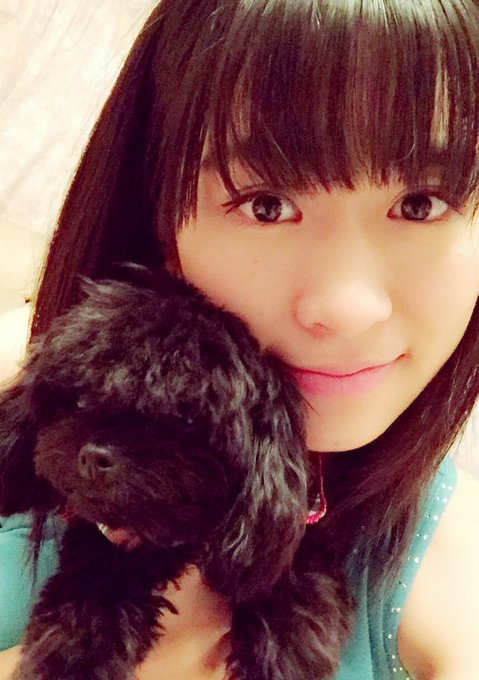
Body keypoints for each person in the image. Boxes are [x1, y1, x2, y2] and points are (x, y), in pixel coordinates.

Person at [1, 0, 479, 677]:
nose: (347, 307)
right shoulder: (43, 415)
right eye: (267, 204)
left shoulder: (444, 585)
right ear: (158, 221)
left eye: (419, 203)